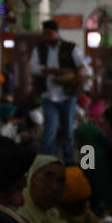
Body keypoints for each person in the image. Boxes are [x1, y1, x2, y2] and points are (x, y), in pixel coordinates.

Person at [28, 18, 89, 162]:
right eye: (45, 34)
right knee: (49, 132)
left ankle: (69, 163)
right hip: (49, 96)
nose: (47, 37)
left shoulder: (70, 47)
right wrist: (48, 71)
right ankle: (47, 162)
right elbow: (33, 67)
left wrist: (78, 72)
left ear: (56, 33)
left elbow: (82, 64)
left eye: (49, 33)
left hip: (67, 96)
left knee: (68, 132)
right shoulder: (40, 49)